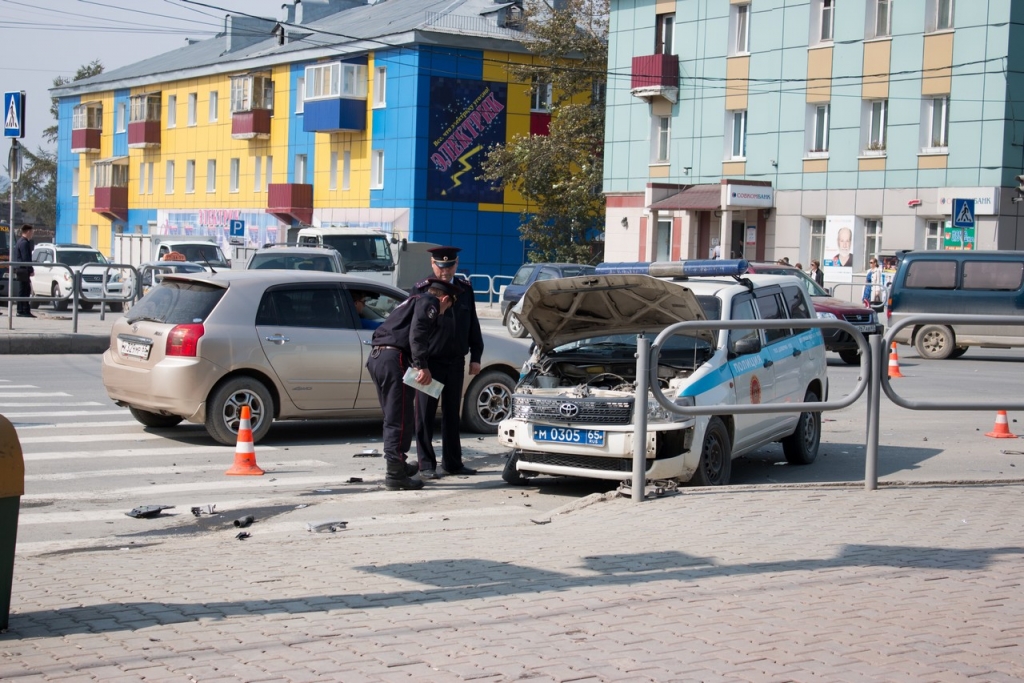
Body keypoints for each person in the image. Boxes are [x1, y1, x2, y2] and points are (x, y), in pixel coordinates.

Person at [366, 277, 458, 491]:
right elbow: (418, 333)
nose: (444, 313)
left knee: (393, 416)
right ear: (444, 299)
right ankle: (395, 474)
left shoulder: (411, 300)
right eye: (448, 307)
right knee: (400, 419)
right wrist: (421, 365)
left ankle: (398, 463)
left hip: (377, 357)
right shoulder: (430, 302)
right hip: (393, 358)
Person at [413, 246, 484, 479]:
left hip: (455, 362)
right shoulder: (422, 289)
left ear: (456, 264)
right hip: (430, 364)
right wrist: (418, 363)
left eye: (449, 266)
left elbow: (472, 323)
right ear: (433, 265)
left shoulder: (465, 289)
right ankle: (426, 465)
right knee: (425, 414)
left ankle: (453, 463)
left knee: (453, 414)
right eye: (440, 266)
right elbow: (416, 331)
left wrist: (476, 356)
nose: (445, 271)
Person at [14, 225, 35, 318]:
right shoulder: (24, 243)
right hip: (23, 269)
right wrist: (30, 269)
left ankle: (24, 310)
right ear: (28, 232)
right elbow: (26, 257)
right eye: (32, 231)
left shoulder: (21, 241)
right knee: (24, 291)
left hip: (22, 268)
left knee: (25, 290)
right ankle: (22, 310)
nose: (32, 233)